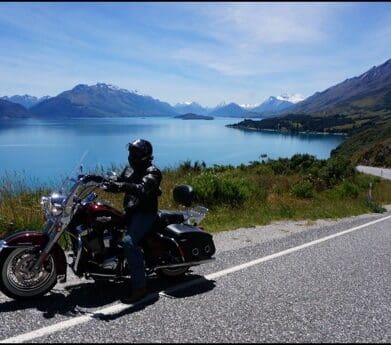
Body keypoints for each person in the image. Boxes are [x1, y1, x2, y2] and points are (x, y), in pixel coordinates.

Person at [103, 138, 162, 303]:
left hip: (145, 213)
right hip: (131, 211)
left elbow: (143, 188)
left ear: (143, 155)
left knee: (129, 242)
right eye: (130, 152)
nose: (130, 156)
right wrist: (101, 181)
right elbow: (118, 182)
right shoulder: (130, 169)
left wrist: (122, 186)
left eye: (134, 153)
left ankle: (140, 287)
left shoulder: (152, 172)